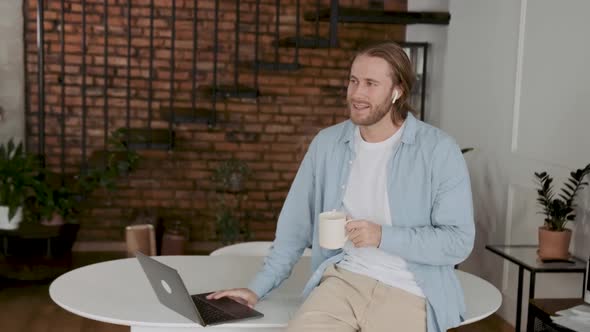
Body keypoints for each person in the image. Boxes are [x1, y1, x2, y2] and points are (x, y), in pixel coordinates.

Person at [207, 41, 475, 332]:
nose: (357, 94)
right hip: (343, 280)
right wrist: (255, 289)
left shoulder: (438, 150)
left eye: (371, 84)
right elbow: (294, 227)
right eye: (353, 81)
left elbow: (458, 242)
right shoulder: (327, 144)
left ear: (397, 91)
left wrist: (382, 236)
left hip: (411, 291)